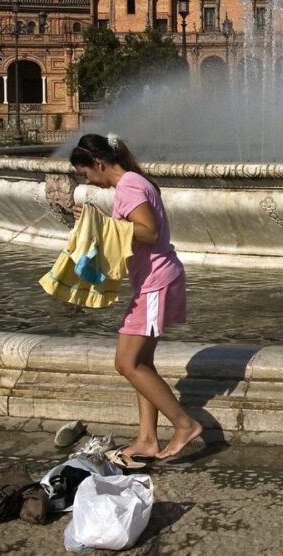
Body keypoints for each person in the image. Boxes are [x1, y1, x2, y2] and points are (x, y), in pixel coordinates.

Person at [69, 133, 200, 465]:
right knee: (142, 363)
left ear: (98, 163)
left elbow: (149, 231)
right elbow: (129, 229)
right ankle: (147, 439)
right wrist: (96, 223)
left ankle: (185, 424)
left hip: (156, 283)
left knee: (126, 363)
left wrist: (100, 222)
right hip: (154, 281)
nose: (87, 180)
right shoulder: (132, 183)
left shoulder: (129, 185)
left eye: (85, 173)